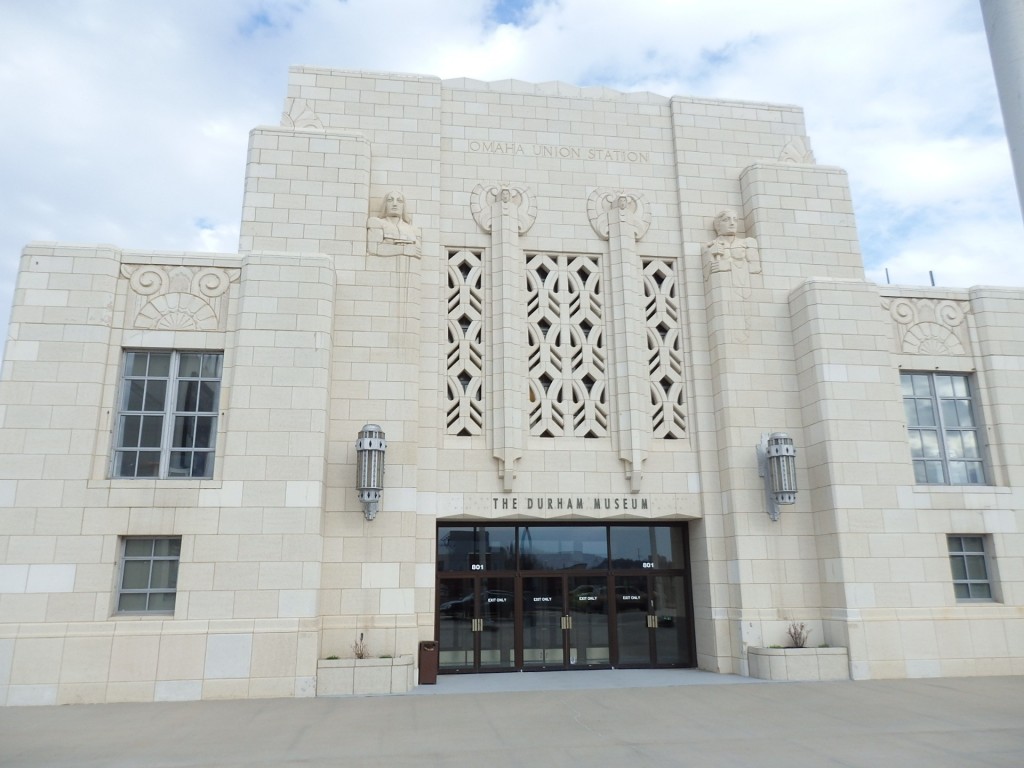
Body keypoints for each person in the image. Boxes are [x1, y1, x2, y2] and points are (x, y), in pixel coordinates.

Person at [701, 210, 760, 295]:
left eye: (735, 220)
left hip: (748, 290)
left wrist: (728, 266)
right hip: (721, 291)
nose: (732, 223)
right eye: (726, 220)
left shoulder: (748, 242)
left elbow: (756, 268)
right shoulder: (709, 246)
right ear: (718, 225)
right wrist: (710, 253)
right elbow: (706, 275)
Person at [367, 190, 421, 258]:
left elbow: (418, 252)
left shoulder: (414, 230)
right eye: (390, 200)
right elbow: (373, 249)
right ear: (385, 204)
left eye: (399, 201)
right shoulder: (376, 222)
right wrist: (403, 249)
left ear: (403, 205)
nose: (394, 204)